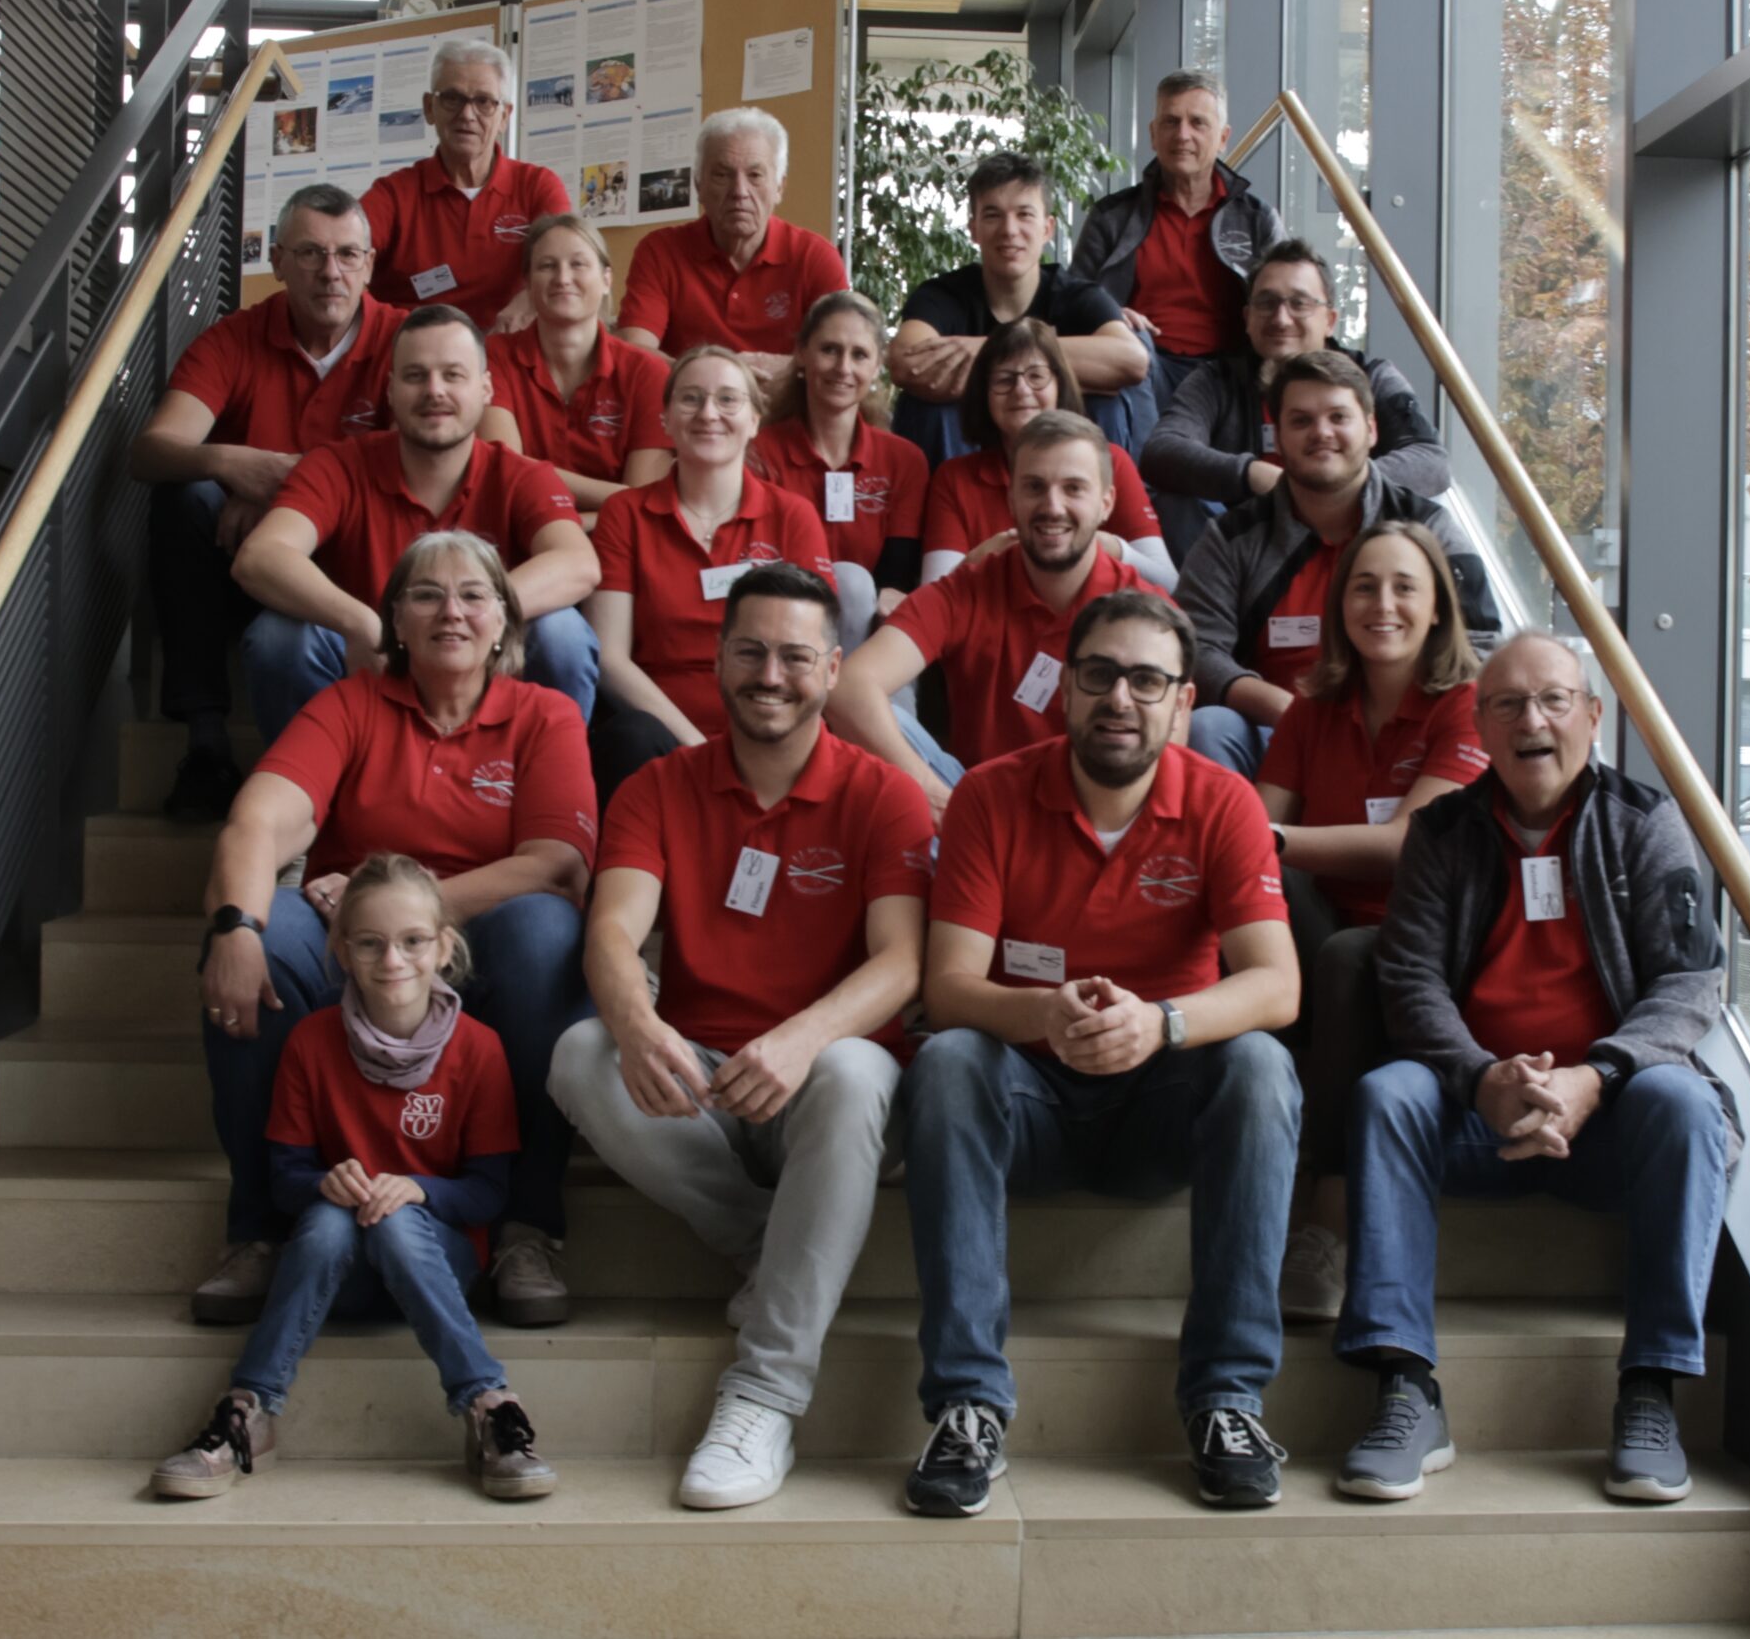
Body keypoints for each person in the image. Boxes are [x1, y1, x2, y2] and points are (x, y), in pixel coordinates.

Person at [899, 592, 1300, 1517]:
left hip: (1162, 1108)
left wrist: (1159, 1023)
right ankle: (967, 1403)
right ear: (1067, 688)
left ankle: (1228, 1399)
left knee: (1260, 1066)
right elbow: (948, 987)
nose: (1121, 697)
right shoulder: (991, 794)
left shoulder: (1223, 801)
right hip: (1029, 1102)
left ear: (1183, 702)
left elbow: (1278, 986)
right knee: (948, 1060)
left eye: (1148, 680)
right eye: (1101, 674)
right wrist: (1045, 1016)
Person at [552, 564, 933, 1511]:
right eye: (751, 652)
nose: (771, 675)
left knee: (854, 1069)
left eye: (796, 657)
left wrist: (802, 1039)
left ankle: (765, 1393)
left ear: (833, 667)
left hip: (827, 1088)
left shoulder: (885, 793)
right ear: (719, 659)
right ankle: (777, 1245)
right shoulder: (657, 787)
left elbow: (902, 962)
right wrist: (637, 1022)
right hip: (704, 1084)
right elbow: (611, 931)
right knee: (579, 1054)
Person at [1334, 631, 1733, 1506]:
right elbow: (1410, 979)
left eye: (1554, 700)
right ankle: (1405, 1389)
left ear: (1591, 716)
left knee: (1684, 1102)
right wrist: (1481, 1077)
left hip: (1611, 1117)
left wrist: (1597, 1076)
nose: (1533, 721)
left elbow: (1690, 983)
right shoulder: (1442, 832)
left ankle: (1650, 1391)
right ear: (1480, 725)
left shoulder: (1644, 821)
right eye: (1508, 704)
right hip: (1475, 1112)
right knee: (1386, 1094)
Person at [193, 532, 594, 1331]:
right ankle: (262, 1229)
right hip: (355, 947)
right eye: (426, 594)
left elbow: (557, 867)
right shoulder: (350, 704)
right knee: (265, 942)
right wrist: (234, 926)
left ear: (504, 622)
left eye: (474, 595)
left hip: (473, 938)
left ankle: (525, 1229)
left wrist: (399, 905)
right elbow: (257, 821)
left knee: (546, 934)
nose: (452, 612)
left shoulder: (543, 714)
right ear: (395, 622)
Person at [152, 854, 557, 1504]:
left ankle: (487, 1405)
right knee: (328, 1220)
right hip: (333, 1273)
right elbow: (284, 1179)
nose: (392, 960)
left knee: (394, 1221)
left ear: (443, 947)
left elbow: (489, 1193)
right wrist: (323, 1184)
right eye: (370, 943)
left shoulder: (479, 1047)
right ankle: (248, 1412)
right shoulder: (311, 1041)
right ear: (342, 951)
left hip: (437, 1268)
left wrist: (419, 1190)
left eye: (413, 941)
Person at [1254, 521, 1487, 1323]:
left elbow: (1405, 848)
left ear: (1438, 608)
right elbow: (1254, 835)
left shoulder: (1466, 706)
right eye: (1363, 585)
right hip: (1321, 928)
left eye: (1403, 587)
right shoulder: (1312, 707)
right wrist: (1258, 845)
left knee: (1350, 958)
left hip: (1430, 941)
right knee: (1252, 893)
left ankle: (1328, 1216)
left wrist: (1269, 840)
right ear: (1339, 604)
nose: (1382, 603)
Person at [129, 183, 405, 821]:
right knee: (185, 496)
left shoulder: (405, 341)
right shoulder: (234, 339)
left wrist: (287, 495)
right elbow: (150, 451)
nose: (330, 272)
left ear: (369, 264)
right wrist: (230, 464)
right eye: (310, 253)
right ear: (277, 261)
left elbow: (425, 461)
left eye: (347, 254)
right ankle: (206, 742)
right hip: (253, 572)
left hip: (360, 567)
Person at [232, 304, 601, 735]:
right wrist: (360, 623)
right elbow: (259, 557)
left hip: (487, 678)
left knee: (563, 634)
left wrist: (469, 613)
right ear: (390, 391)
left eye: (453, 375)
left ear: (486, 389)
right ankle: (310, 778)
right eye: (415, 376)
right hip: (370, 669)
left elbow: (579, 564)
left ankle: (545, 774)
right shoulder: (337, 465)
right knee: (279, 638)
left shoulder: (521, 475)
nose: (434, 391)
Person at [1179, 349, 1499, 782]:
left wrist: (1399, 716)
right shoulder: (1231, 539)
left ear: (1371, 429)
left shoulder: (1431, 529)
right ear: (1277, 438)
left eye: (1338, 417)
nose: (1321, 432)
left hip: (1408, 735)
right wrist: (1290, 712)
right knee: (1210, 727)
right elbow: (1196, 648)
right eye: (1301, 421)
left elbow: (1481, 643)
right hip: (1281, 733)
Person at [831, 412, 1163, 818]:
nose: (1052, 507)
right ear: (1011, 500)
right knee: (891, 726)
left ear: (1106, 502)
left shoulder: (1143, 608)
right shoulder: (969, 587)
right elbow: (848, 688)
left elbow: (1170, 735)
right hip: (979, 808)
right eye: (1034, 487)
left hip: (1094, 813)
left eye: (1073, 488)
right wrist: (939, 801)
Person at [586, 347, 835, 804]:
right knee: (627, 737)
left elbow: (812, 653)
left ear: (755, 420)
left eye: (727, 399)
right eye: (691, 398)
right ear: (664, 419)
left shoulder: (792, 516)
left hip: (769, 719)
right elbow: (611, 658)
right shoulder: (625, 514)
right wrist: (696, 748)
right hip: (661, 734)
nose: (708, 413)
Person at [1139, 239, 1449, 561]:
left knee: (1428, 508)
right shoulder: (1215, 380)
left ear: (1330, 320)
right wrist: (1252, 474)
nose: (1281, 319)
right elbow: (1162, 450)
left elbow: (1430, 461)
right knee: (1175, 500)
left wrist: (1336, 486)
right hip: (1243, 547)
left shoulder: (1373, 376)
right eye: (1266, 303)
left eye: (1299, 304)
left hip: (1352, 545)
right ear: (1247, 318)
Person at [887, 152, 1150, 463]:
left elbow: (1132, 361)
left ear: (1047, 228)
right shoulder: (944, 295)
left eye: (1024, 214)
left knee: (1108, 406)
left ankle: (1098, 496)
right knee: (926, 407)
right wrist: (1058, 373)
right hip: (970, 455)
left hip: (1059, 463)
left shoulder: (1076, 295)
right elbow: (905, 362)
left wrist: (986, 352)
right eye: (993, 215)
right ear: (974, 229)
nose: (1009, 230)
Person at [1066, 69, 1283, 416]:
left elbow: (1284, 300)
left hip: (1230, 372)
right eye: (1170, 122)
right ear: (1153, 135)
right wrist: (1107, 313)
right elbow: (1071, 302)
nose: (1182, 135)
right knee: (1119, 369)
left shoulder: (1256, 219)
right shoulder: (1112, 216)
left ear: (1223, 137)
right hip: (1143, 366)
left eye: (1198, 123)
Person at [919, 318, 1174, 593]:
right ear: (985, 395)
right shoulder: (955, 478)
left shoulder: (1110, 461)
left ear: (1059, 385)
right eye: (1004, 379)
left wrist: (1106, 546)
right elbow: (930, 596)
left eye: (1036, 376)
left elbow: (1169, 583)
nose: (1021, 390)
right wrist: (989, 556)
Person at [749, 291, 931, 648]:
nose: (843, 368)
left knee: (854, 585)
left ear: (877, 366)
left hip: (870, 640)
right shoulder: (760, 452)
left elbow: (894, 579)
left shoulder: (904, 460)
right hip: (780, 623)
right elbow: (761, 563)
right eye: (829, 350)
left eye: (859, 355)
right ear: (801, 354)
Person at [617, 108, 850, 386]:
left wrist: (781, 370)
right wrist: (721, 376)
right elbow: (634, 351)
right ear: (698, 186)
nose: (739, 191)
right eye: (722, 175)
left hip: (783, 404)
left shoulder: (815, 257)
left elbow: (843, 357)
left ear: (779, 187)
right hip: (694, 404)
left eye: (755, 175)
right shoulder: (660, 251)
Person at [363, 39, 571, 332]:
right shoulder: (393, 195)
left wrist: (529, 300)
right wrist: (400, 329)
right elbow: (343, 259)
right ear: (429, 108)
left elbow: (567, 263)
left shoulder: (537, 187)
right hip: (418, 352)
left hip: (508, 352)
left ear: (504, 116)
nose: (467, 114)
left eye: (484, 101)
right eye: (452, 98)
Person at [483, 213, 675, 516]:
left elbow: (645, 507)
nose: (562, 278)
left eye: (578, 264)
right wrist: (616, 501)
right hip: (519, 531)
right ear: (528, 284)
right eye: (547, 266)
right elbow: (504, 471)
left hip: (619, 538)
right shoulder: (494, 355)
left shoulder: (648, 373)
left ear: (606, 280)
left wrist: (573, 519)